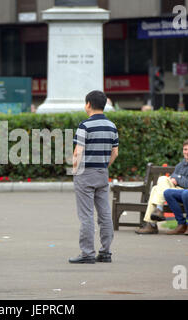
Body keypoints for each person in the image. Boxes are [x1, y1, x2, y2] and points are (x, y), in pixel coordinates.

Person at [69, 90, 119, 264]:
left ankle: (87, 253)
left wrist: (75, 170)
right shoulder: (112, 126)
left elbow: (78, 152)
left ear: (88, 104)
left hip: (85, 173)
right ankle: (106, 252)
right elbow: (115, 152)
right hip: (102, 173)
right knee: (105, 213)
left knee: (86, 215)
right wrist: (104, 166)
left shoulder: (84, 126)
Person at [135, 139, 188, 234]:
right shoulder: (181, 164)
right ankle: (155, 218)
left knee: (162, 180)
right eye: (185, 149)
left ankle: (154, 220)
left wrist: (177, 178)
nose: (187, 152)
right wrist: (177, 179)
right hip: (175, 190)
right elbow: (173, 178)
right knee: (156, 187)